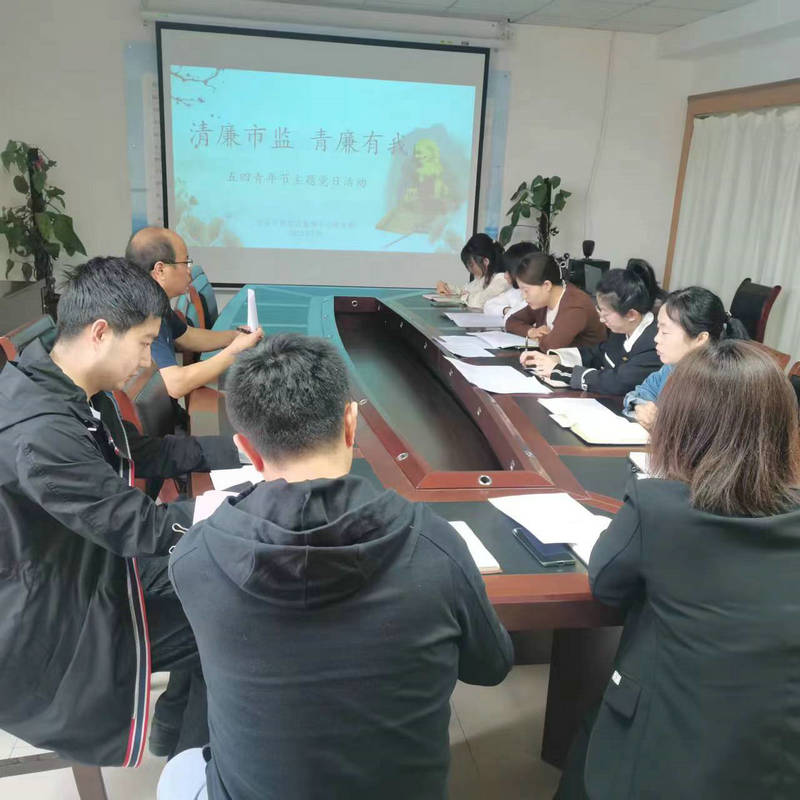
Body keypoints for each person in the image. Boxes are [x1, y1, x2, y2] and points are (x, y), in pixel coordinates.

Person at [163, 334, 514, 800]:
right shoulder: (436, 546)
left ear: (247, 448)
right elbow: (491, 666)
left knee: (180, 770)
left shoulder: (195, 559)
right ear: (351, 423)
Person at [0, 257, 243, 765]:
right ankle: (193, 769)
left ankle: (177, 732)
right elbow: (138, 527)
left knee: (217, 583)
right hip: (52, 614)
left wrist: (243, 451)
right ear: (100, 332)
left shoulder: (64, 383)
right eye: (143, 342)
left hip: (85, 561)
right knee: (232, 613)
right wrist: (246, 508)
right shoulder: (41, 433)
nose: (149, 360)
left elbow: (142, 452)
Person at [556, 340, 800, 799]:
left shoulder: (657, 506)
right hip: (776, 755)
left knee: (591, 737)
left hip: (665, 756)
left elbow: (606, 585)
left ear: (680, 422)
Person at [125, 227, 262, 400]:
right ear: (160, 270)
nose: (189, 270)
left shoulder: (153, 299)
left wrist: (235, 337)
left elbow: (187, 336)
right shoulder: (144, 314)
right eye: (185, 263)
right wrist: (235, 351)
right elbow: (175, 384)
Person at [522, 261, 661, 395]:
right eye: (599, 310)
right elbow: (598, 353)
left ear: (631, 315)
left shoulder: (654, 344)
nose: (601, 319)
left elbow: (616, 381)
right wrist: (557, 358)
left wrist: (559, 371)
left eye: (606, 313)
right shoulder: (622, 329)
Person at [622, 286, 749, 428]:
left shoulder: (720, 385)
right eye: (658, 329)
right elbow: (636, 395)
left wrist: (661, 423)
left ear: (701, 338)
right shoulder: (671, 368)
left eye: (665, 332)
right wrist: (639, 407)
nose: (656, 339)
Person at [505, 252, 606, 350]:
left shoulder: (575, 305)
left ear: (546, 285)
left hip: (585, 361)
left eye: (526, 290)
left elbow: (551, 346)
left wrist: (539, 338)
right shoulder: (543, 301)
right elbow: (512, 321)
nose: (524, 296)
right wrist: (531, 332)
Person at [436, 232, 508, 309]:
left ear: (485, 261)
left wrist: (465, 297)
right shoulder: (483, 278)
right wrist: (444, 285)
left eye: (471, 264)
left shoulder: (502, 279)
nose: (469, 269)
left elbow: (479, 302)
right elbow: (463, 291)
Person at [483, 240, 539, 319]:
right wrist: (506, 310)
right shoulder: (515, 291)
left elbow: (519, 315)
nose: (505, 276)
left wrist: (511, 312)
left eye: (508, 271)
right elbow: (488, 306)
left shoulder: (537, 297)